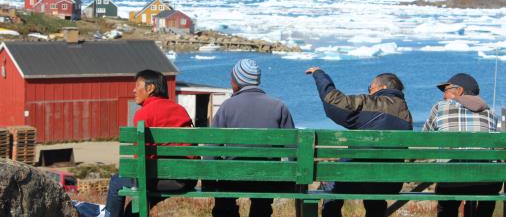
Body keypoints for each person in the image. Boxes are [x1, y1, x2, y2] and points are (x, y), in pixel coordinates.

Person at [305, 67, 413, 217]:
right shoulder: (406, 114)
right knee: (375, 190)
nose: (369, 91)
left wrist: (320, 75)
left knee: (329, 185)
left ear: (383, 88)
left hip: (358, 177)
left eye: (371, 88)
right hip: (390, 182)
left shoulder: (372, 103)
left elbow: (333, 102)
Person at [210, 58, 295, 217]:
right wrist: (291, 179)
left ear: (238, 82)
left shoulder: (227, 106)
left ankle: (226, 210)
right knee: (261, 200)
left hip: (233, 178)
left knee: (223, 201)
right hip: (267, 178)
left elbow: (212, 148)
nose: (230, 82)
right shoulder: (279, 106)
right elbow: (293, 148)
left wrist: (209, 179)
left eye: (232, 79)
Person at [104, 70, 196, 217]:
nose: (133, 90)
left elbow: (139, 158)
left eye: (137, 85)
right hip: (187, 179)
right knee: (132, 212)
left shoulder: (144, 113)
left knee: (116, 181)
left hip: (162, 179)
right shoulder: (180, 109)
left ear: (150, 88)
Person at [423, 73, 501, 217]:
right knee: (487, 190)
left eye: (446, 90)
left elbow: (424, 140)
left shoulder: (440, 108)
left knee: (448, 192)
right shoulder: (490, 113)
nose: (443, 96)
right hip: (486, 183)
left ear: (459, 91)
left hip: (451, 180)